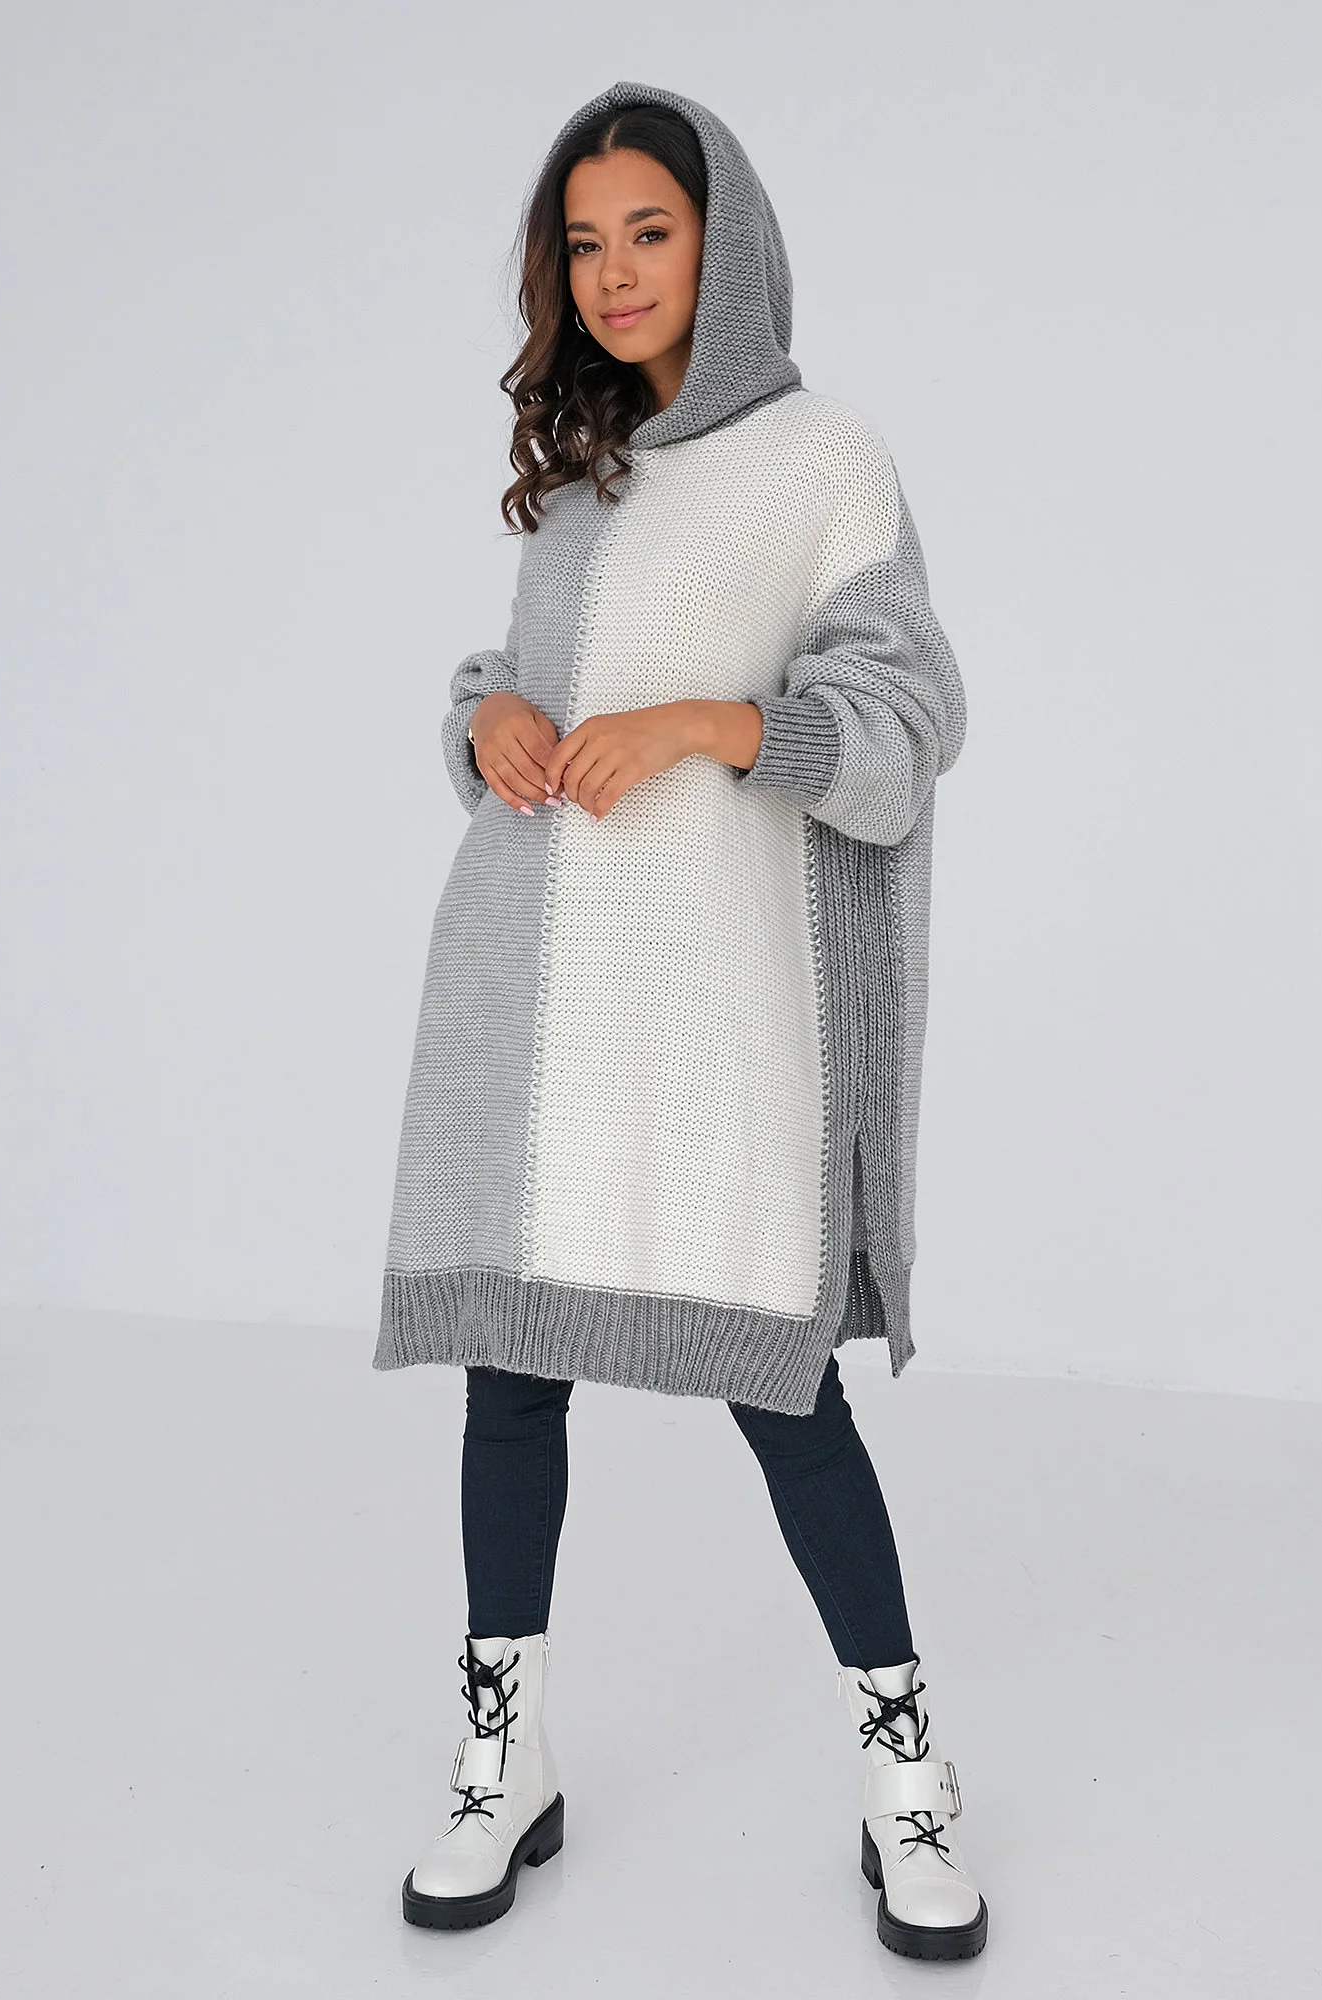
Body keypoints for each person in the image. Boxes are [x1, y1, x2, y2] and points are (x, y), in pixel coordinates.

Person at [371, 79, 984, 1962]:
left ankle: (904, 1777)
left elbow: (904, 723)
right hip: (532, 995)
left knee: (779, 1388)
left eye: (650, 230)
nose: (616, 272)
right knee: (509, 1374)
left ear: (728, 246)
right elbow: (531, 679)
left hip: (723, 1005)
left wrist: (713, 724)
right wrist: (487, 711)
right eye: (584, 242)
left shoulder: (824, 460)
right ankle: (503, 1755)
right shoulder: (581, 472)